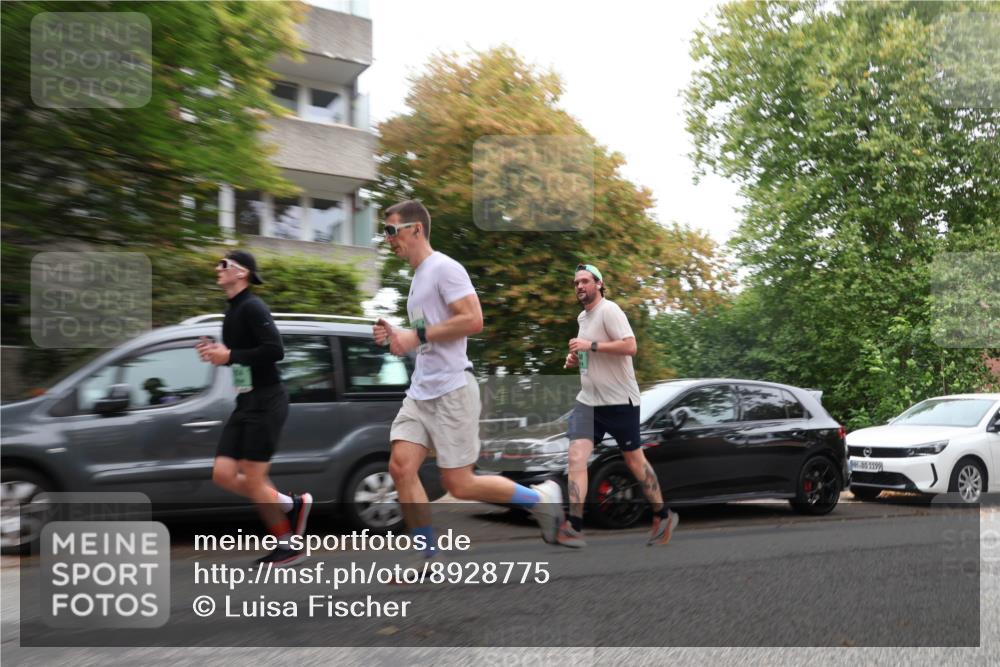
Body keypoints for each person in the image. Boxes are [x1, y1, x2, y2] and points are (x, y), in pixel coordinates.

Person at [373, 200, 563, 556]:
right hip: (421, 391)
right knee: (400, 467)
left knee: (459, 485)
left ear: (415, 229)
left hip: (452, 389)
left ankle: (539, 497)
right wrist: (400, 335)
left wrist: (416, 336)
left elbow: (473, 320)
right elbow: (430, 337)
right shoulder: (417, 280)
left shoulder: (445, 268)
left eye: (391, 230)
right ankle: (429, 558)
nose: (387, 239)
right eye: (385, 233)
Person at [197, 249, 312, 567]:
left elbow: (275, 350)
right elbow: (240, 356)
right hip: (246, 401)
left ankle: (288, 545)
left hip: (267, 400)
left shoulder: (252, 306)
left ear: (241, 272)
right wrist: (217, 355)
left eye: (224, 265)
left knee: (254, 478)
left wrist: (229, 355)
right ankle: (293, 505)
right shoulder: (232, 310)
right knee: (222, 474)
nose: (216, 268)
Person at [560, 263, 678, 548]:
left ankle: (663, 515)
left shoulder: (610, 310)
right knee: (576, 456)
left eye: (585, 281)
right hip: (589, 401)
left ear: (599, 284)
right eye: (576, 282)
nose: (579, 286)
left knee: (634, 461)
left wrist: (592, 347)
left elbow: (630, 346)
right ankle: (574, 525)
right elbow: (589, 352)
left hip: (619, 402)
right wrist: (576, 359)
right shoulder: (583, 317)